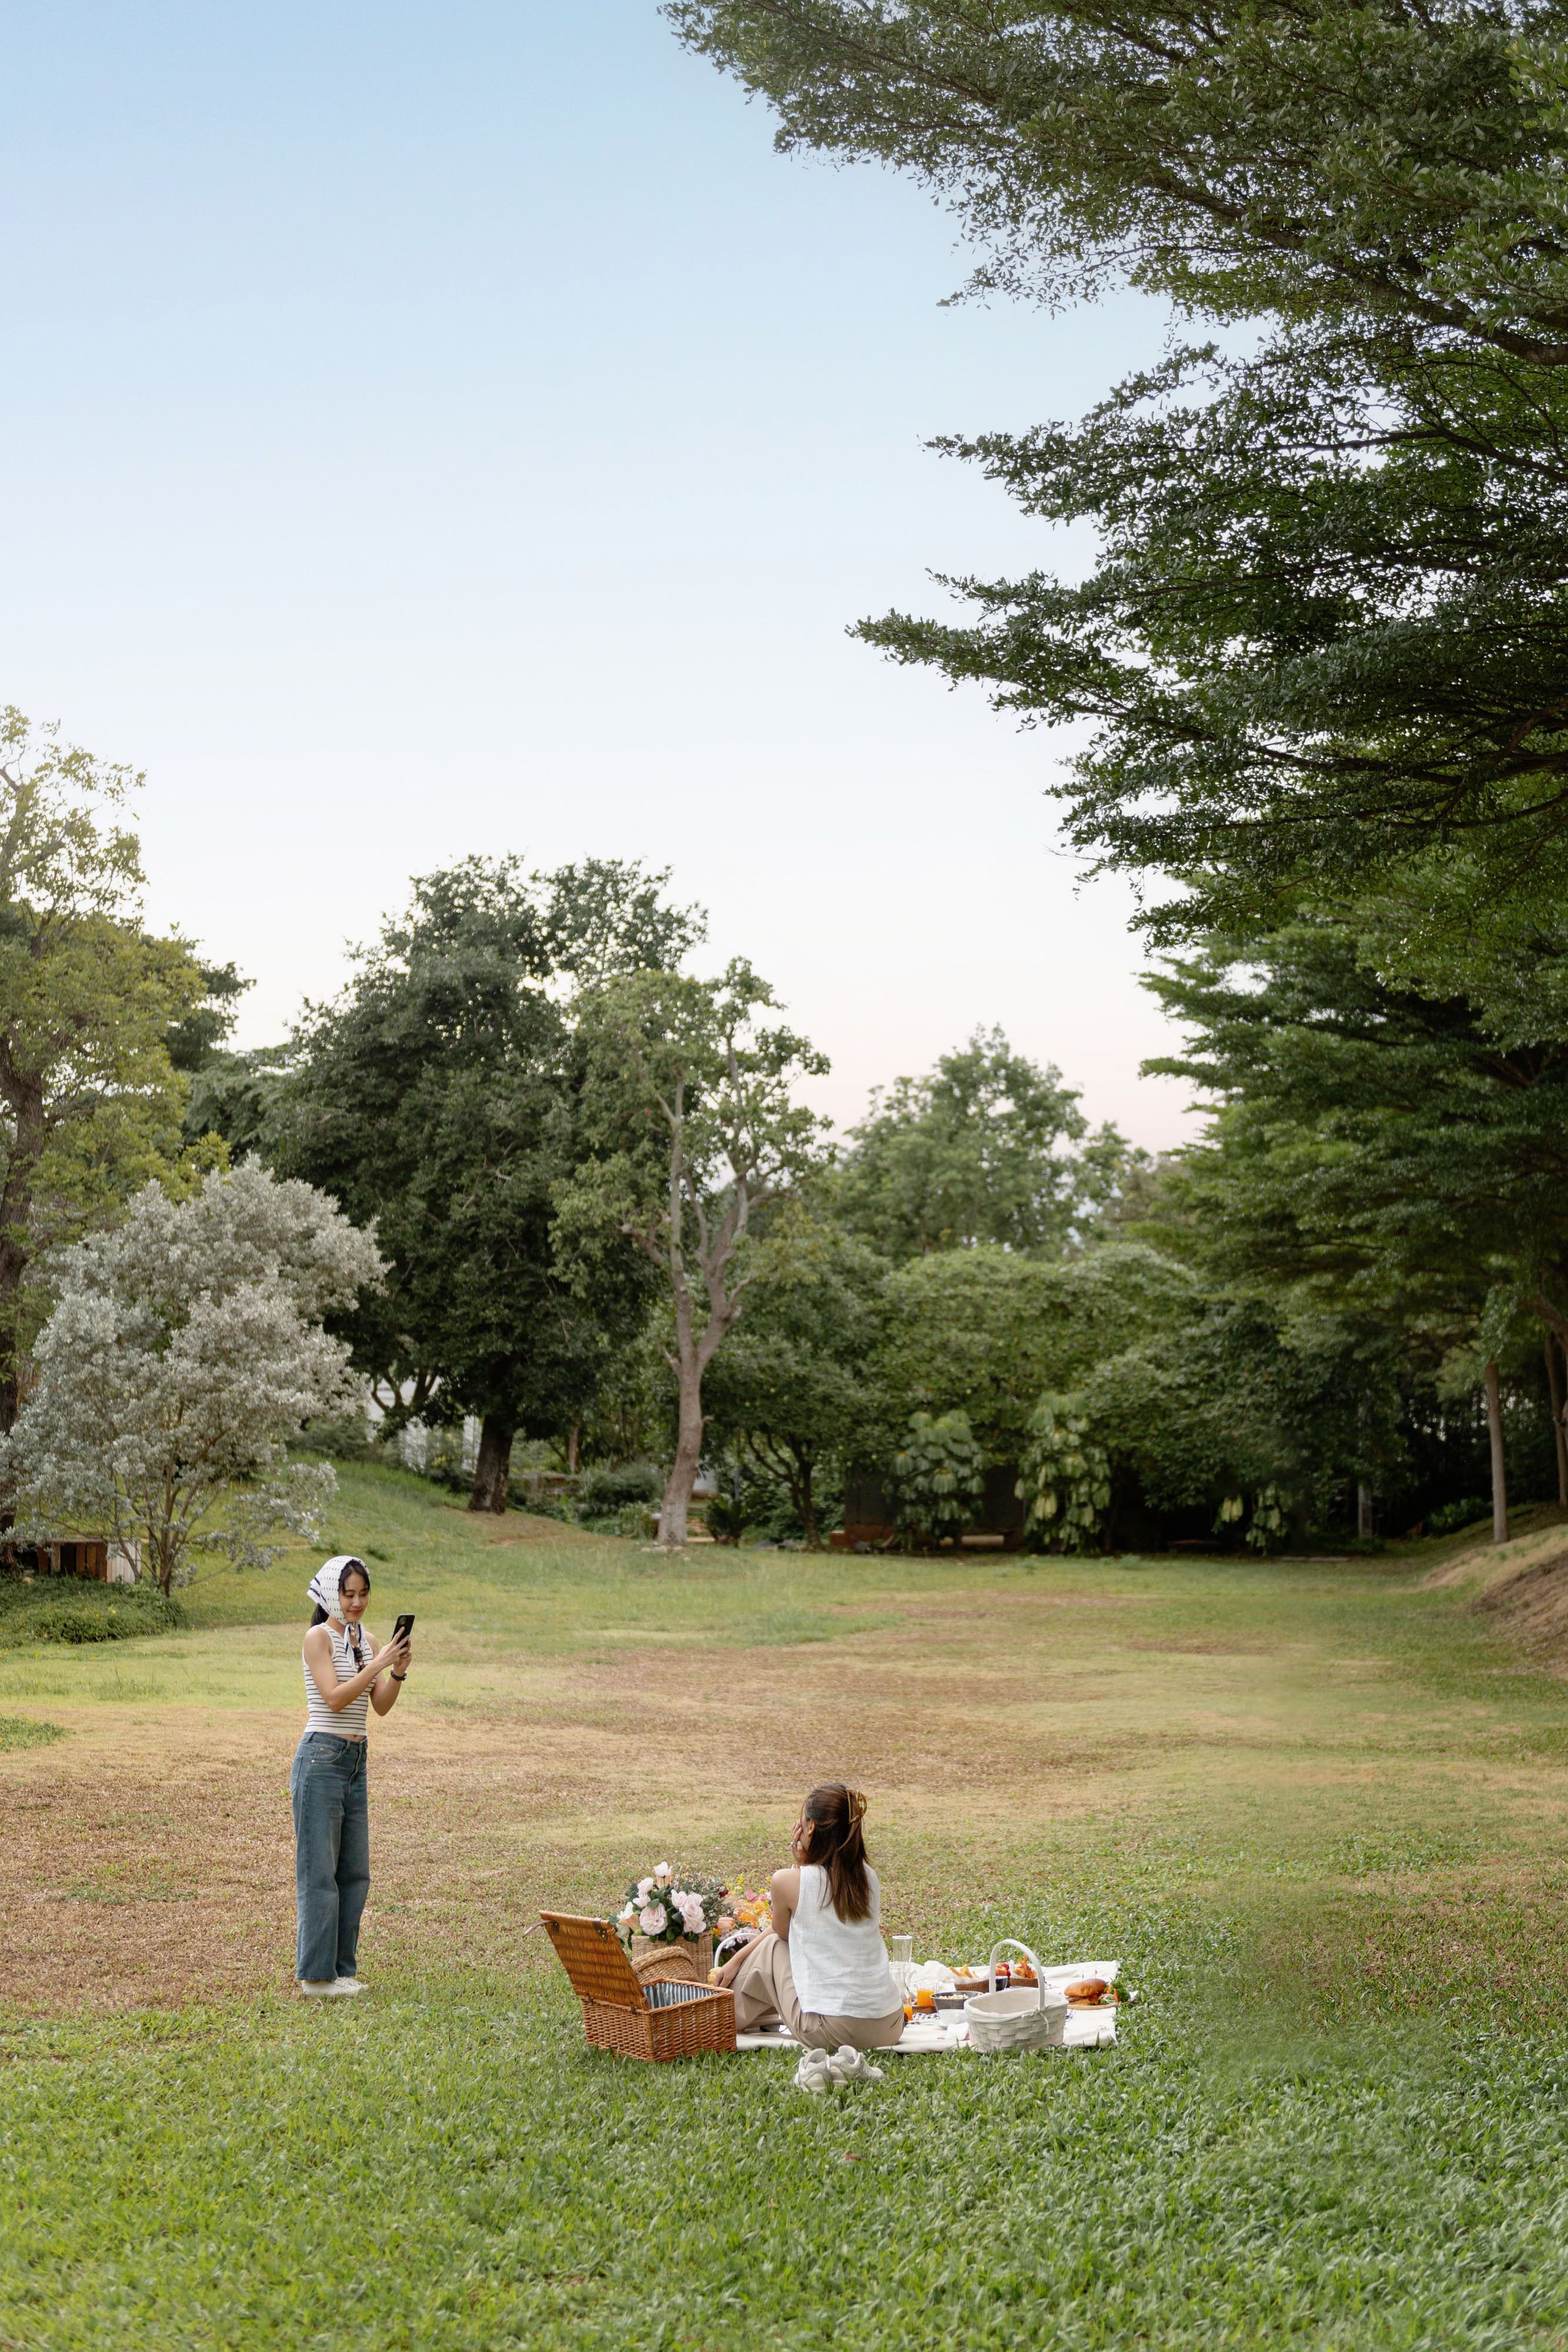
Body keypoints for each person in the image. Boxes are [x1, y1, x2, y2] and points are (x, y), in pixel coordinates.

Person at [290, 1555, 412, 1998]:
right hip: (321, 1758)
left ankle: (340, 1971)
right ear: (331, 1595)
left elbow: (379, 1706)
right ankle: (315, 1977)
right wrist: (378, 1664)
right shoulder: (317, 1638)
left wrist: (397, 1670)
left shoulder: (367, 1641)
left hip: (356, 1759)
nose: (357, 1603)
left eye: (363, 1594)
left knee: (354, 1873)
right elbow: (335, 1698)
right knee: (320, 1872)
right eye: (348, 1594)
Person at [714, 1782, 905, 2050]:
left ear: (810, 1827)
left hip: (835, 2031)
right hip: (890, 2024)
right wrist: (736, 1960)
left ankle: (719, 2018)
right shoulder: (868, 1878)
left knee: (772, 1947)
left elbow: (782, 1935)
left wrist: (735, 1961)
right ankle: (734, 2013)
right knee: (773, 1948)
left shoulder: (786, 1881)